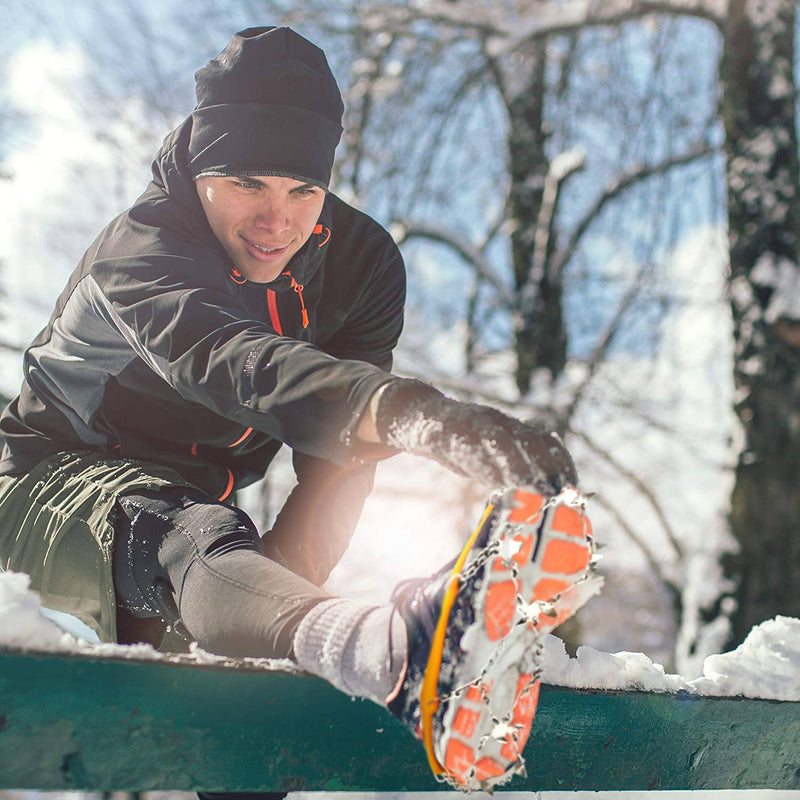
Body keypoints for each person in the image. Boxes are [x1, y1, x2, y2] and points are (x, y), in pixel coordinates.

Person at [0, 26, 600, 792]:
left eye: (301, 191)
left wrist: (280, 601)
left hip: (199, 523)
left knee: (253, 725)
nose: (276, 222)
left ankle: (353, 656)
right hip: (44, 486)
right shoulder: (142, 250)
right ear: (200, 168)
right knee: (197, 530)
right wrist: (416, 415)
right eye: (248, 184)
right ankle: (396, 651)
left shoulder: (360, 263)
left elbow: (338, 464)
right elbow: (230, 361)